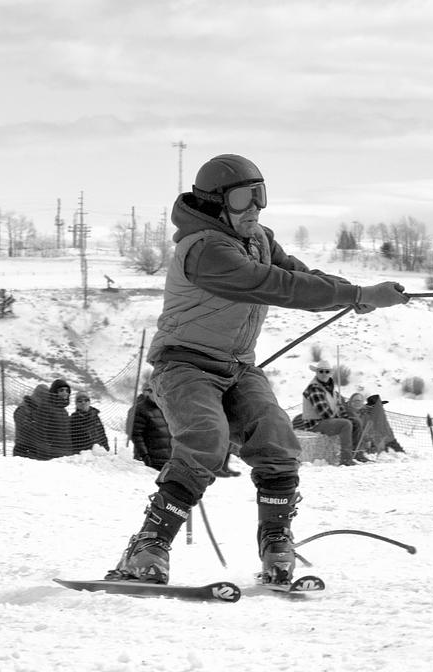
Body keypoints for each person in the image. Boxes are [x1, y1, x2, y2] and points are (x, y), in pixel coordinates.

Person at [104, 153, 408, 585]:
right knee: (206, 439)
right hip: (185, 364)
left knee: (277, 439)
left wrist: (352, 295)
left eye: (260, 196)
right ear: (214, 203)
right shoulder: (205, 249)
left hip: (238, 367)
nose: (255, 208)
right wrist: (358, 292)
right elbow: (275, 285)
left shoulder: (259, 239)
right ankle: (148, 546)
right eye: (243, 198)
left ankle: (276, 542)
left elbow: (297, 274)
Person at [301, 360, 370, 466]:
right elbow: (325, 413)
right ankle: (346, 459)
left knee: (355, 422)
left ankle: (357, 453)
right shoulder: (313, 388)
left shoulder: (331, 389)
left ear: (330, 373)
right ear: (316, 372)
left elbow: (340, 407)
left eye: (327, 371)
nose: (324, 374)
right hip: (315, 424)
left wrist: (347, 417)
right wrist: (344, 419)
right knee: (346, 424)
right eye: (321, 371)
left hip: (328, 421)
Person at [129, 384, 172, 470]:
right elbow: (136, 435)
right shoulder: (140, 409)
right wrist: (144, 456)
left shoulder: (165, 408)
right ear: (149, 393)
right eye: (157, 393)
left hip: (168, 461)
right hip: (151, 462)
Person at [35, 378, 74, 459]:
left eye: (67, 391)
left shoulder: (64, 411)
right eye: (61, 390)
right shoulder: (45, 407)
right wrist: (45, 454)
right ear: (55, 392)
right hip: (51, 455)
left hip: (65, 454)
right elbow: (40, 432)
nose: (65, 393)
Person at [13, 384, 49, 458]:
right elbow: (24, 428)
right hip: (23, 448)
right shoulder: (23, 408)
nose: (44, 401)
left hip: (35, 448)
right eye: (44, 398)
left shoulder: (38, 409)